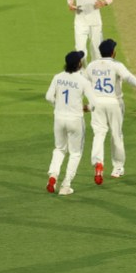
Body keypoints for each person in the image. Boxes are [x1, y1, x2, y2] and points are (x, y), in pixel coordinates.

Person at [85, 39, 136, 183]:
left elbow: (85, 84)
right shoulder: (116, 65)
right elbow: (130, 79)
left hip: (97, 103)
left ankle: (98, 163)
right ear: (113, 52)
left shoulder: (91, 66)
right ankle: (118, 168)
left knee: (99, 134)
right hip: (114, 102)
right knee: (116, 134)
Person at [45, 50, 98, 196]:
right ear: (79, 64)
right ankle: (66, 185)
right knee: (75, 153)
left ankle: (53, 176)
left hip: (59, 118)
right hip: (75, 120)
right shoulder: (83, 81)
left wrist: (59, 105)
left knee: (59, 149)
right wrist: (86, 108)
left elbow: (48, 97)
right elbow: (94, 104)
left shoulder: (58, 77)